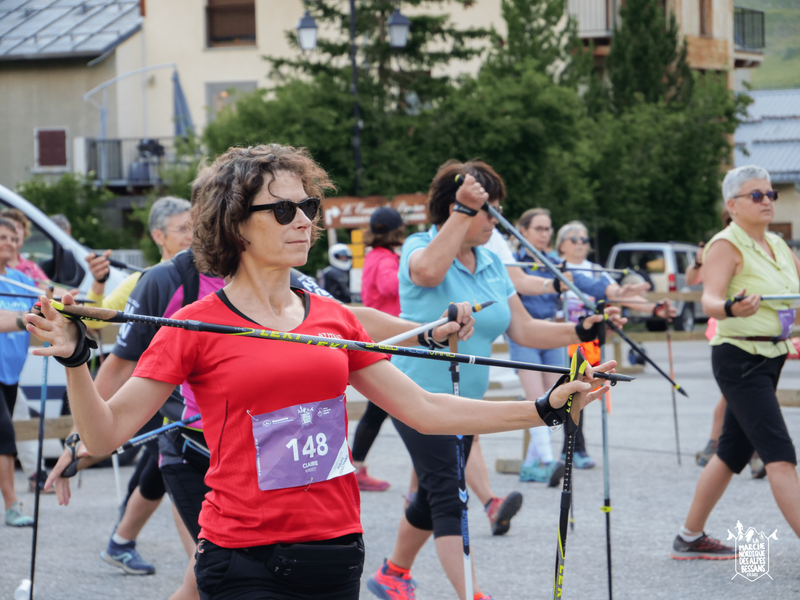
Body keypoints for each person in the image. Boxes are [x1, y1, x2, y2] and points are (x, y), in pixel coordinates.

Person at [30, 144, 614, 600]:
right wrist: (78, 361)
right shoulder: (194, 324)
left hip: (336, 551)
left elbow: (426, 409)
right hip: (243, 555)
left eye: (309, 207)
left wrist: (542, 409)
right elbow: (105, 436)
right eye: (283, 209)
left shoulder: (331, 317)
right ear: (236, 224)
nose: (304, 221)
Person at [369, 160, 623, 600]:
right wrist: (464, 211)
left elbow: (522, 330)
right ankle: (474, 595)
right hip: (415, 398)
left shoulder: (490, 261)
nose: (496, 221)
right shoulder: (418, 246)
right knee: (450, 498)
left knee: (432, 497)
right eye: (490, 211)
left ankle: (393, 572)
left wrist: (581, 331)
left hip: (466, 406)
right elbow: (428, 273)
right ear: (457, 208)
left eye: (496, 209)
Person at [53, 197, 194, 576]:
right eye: (183, 229)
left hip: (184, 405)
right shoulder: (148, 280)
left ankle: (122, 540)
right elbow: (98, 321)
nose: (192, 235)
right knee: (167, 466)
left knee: (158, 466)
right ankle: (130, 542)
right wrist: (98, 282)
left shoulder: (204, 273)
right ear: (158, 235)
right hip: (149, 395)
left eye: (195, 225)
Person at [671, 165, 800, 560]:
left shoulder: (779, 245)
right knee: (780, 456)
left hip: (771, 356)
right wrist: (731, 307)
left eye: (770, 194)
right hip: (739, 357)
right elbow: (708, 299)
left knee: (731, 452)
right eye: (756, 195)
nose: (767, 201)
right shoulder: (725, 244)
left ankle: (689, 538)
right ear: (732, 204)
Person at [510, 211, 656, 485]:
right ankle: (546, 460)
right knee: (536, 399)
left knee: (552, 398)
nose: (544, 234)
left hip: (552, 335)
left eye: (548, 229)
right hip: (525, 335)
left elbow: (583, 281)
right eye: (539, 229)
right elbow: (523, 286)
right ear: (523, 231)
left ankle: (532, 463)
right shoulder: (514, 263)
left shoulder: (556, 262)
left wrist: (615, 293)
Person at [555, 220, 673, 469]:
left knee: (580, 393)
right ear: (562, 244)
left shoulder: (596, 271)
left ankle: (575, 448)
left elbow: (621, 294)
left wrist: (654, 308)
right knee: (565, 394)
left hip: (587, 344)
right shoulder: (554, 268)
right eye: (574, 238)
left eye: (584, 239)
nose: (580, 243)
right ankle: (564, 449)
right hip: (558, 340)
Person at [352, 207, 405, 492]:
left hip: (380, 338)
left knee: (379, 409)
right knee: (381, 408)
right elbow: (388, 286)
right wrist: (409, 272)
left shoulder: (374, 256)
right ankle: (355, 469)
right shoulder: (386, 260)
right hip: (390, 340)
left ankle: (356, 467)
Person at [0, 217, 36, 526]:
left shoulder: (18, 280)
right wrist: (27, 318)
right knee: (5, 435)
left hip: (11, 372)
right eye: (1, 237)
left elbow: (42, 305)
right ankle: (13, 504)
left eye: (12, 238)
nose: (8, 243)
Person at [0, 208, 50, 288]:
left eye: (19, 227)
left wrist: (66, 295)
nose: (15, 231)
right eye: (3, 237)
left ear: (24, 233)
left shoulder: (30, 267)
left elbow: (49, 289)